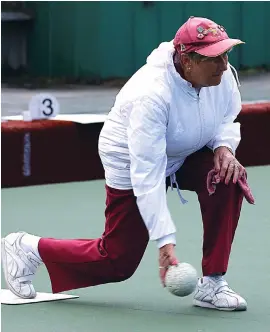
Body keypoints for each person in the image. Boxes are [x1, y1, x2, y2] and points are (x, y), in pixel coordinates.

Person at [2, 16, 254, 311]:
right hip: (130, 157)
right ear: (187, 61)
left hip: (184, 150)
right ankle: (27, 247)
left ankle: (213, 283)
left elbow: (227, 115)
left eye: (226, 54)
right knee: (117, 261)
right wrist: (165, 239)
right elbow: (147, 174)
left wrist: (224, 147)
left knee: (227, 176)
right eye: (215, 58)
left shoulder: (220, 76)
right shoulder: (150, 95)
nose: (224, 65)